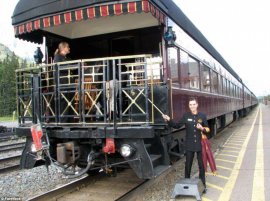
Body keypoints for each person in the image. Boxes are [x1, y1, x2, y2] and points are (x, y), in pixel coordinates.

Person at [162, 97, 210, 191]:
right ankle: (186, 185)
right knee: (188, 165)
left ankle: (203, 185)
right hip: (189, 144)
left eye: (193, 104)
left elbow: (208, 129)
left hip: (200, 144)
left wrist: (202, 129)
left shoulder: (202, 115)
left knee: (201, 165)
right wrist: (169, 120)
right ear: (189, 106)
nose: (192, 106)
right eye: (190, 105)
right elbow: (177, 125)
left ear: (197, 105)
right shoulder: (186, 115)